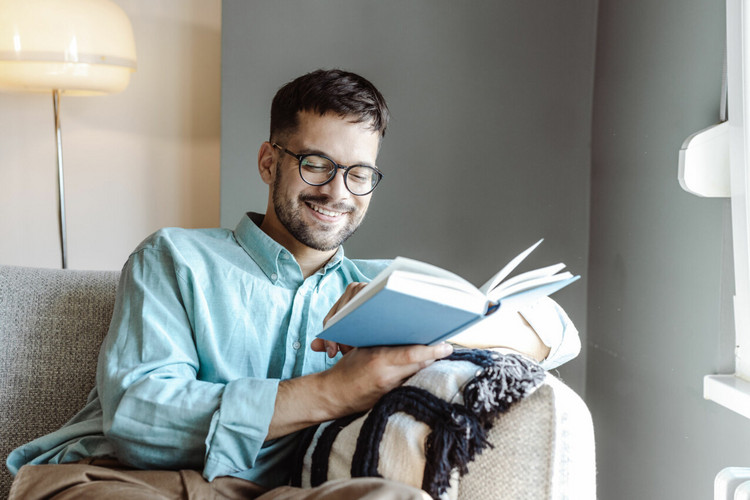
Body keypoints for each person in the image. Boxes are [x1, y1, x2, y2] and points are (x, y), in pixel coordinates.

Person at [6, 69, 580, 500]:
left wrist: (446, 327)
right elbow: (140, 420)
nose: (338, 191)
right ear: (267, 162)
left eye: (359, 174)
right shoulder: (176, 257)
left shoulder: (378, 288)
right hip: (118, 481)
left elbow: (557, 332)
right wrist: (335, 390)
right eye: (315, 164)